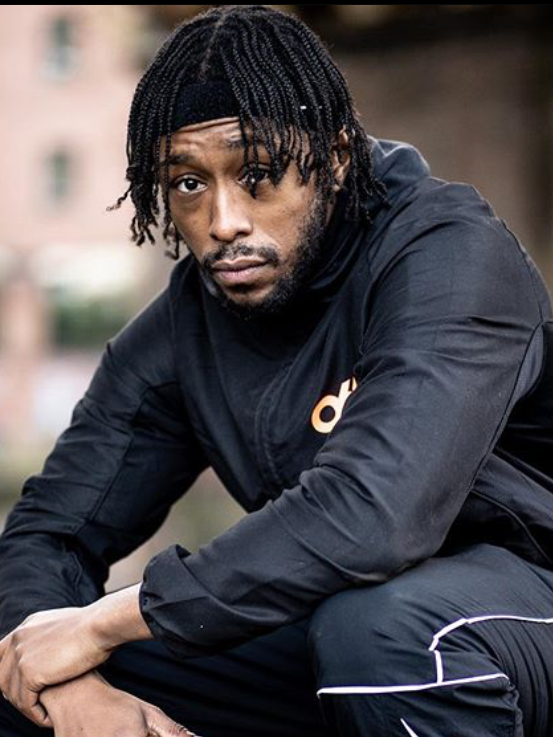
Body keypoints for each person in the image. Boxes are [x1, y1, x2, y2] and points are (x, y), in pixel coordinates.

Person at [0, 5, 553, 736]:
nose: (223, 220)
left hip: (522, 599)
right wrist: (65, 685)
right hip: (340, 620)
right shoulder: (186, 328)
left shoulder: (448, 256)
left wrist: (105, 622)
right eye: (188, 183)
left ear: (336, 157)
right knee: (19, 672)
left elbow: (371, 516)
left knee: (386, 633)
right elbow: (49, 532)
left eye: (257, 173)